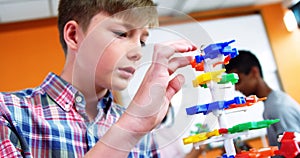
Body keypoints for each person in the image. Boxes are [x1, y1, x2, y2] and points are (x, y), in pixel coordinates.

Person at [0, 0, 197, 157]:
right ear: (74, 35)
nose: (138, 52)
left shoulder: (144, 136)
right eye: (122, 34)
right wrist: (131, 127)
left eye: (143, 41)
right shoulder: (9, 113)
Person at [225, 50, 300, 146]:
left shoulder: (277, 108)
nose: (236, 88)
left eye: (238, 81)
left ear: (254, 72)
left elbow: (294, 151)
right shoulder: (276, 101)